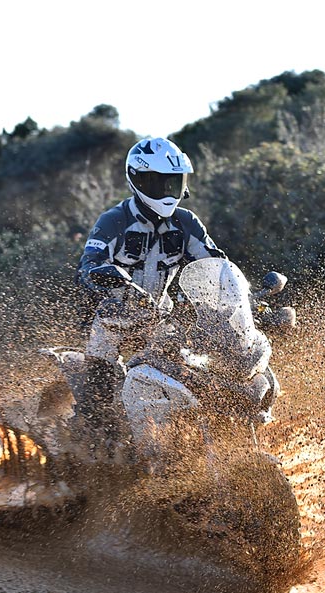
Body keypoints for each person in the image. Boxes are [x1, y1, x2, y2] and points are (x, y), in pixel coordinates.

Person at [74, 136, 227, 435]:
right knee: (100, 398)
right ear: (137, 180)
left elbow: (218, 266)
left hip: (160, 320)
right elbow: (89, 264)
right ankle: (90, 443)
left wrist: (246, 300)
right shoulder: (114, 221)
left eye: (173, 183)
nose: (167, 192)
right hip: (115, 320)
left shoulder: (186, 223)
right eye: (159, 184)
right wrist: (103, 275)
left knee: (199, 376)